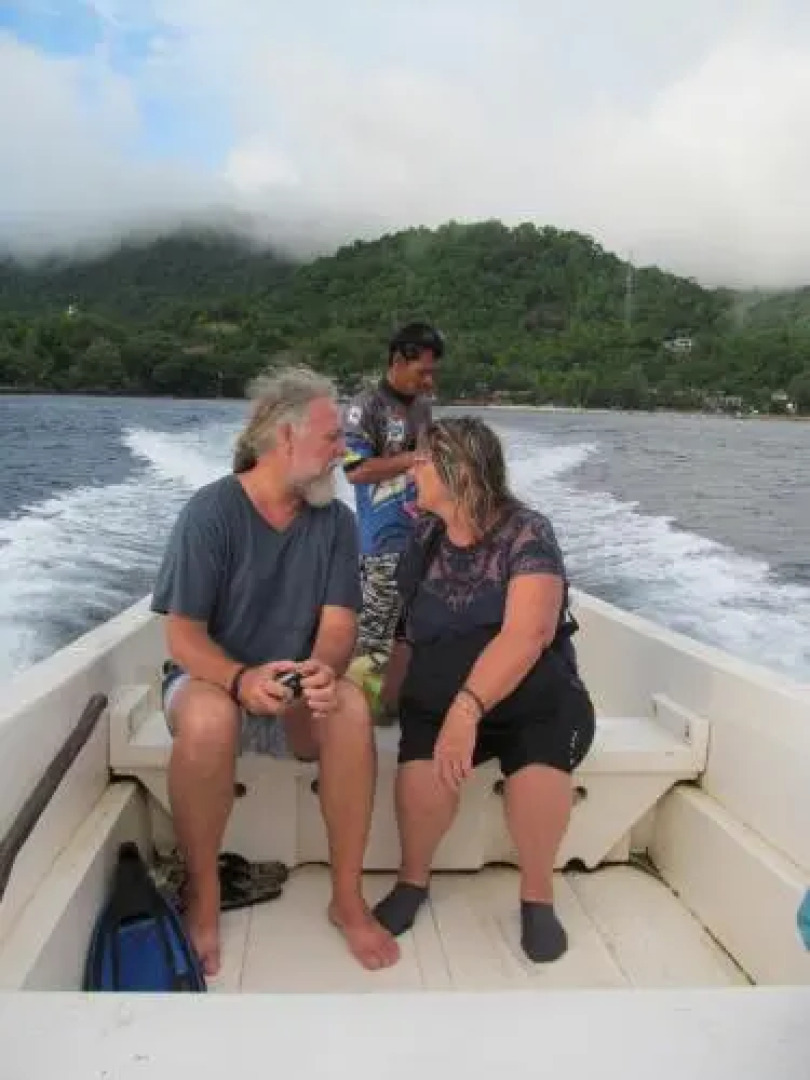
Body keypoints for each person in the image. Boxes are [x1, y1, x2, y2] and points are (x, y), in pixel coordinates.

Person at [150, 365, 400, 977]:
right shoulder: (211, 513)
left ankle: (347, 897)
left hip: (292, 686)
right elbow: (183, 636)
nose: (345, 451)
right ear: (284, 440)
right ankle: (204, 898)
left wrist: (321, 669)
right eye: (332, 438)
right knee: (208, 721)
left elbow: (339, 623)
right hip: (215, 681)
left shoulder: (336, 522)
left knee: (348, 706)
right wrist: (241, 681)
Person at [372, 418, 596, 963]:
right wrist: (388, 700)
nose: (411, 469)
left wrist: (467, 711)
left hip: (531, 698)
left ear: (459, 472)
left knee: (538, 765)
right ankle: (412, 881)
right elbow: (406, 630)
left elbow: (529, 634)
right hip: (439, 701)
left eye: (422, 460)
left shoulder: (528, 532)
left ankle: (538, 897)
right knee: (421, 777)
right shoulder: (423, 539)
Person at [342, 322, 443, 712]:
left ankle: (394, 704)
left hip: (423, 538)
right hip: (382, 542)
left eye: (433, 372)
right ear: (398, 361)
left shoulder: (423, 408)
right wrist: (414, 458)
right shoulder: (362, 407)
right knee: (374, 636)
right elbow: (354, 470)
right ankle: (359, 717)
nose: (429, 380)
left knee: (414, 631)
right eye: (423, 371)